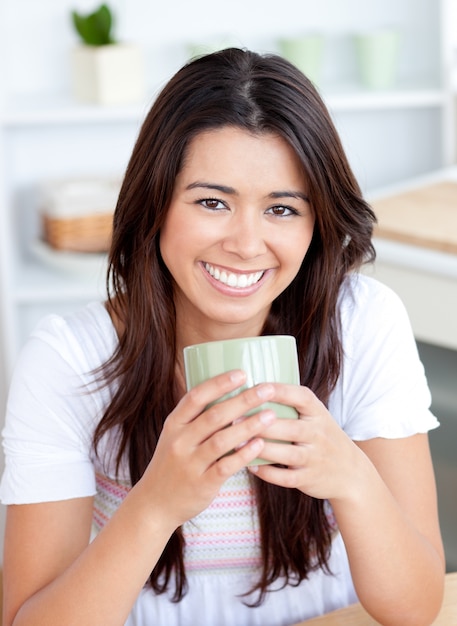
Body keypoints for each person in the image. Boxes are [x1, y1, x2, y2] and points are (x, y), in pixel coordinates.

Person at [0, 48, 445, 626]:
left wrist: (352, 478)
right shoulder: (70, 360)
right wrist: (156, 504)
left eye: (282, 209)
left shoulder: (363, 324)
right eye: (212, 202)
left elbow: (415, 609)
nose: (245, 242)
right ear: (155, 205)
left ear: (317, 224)